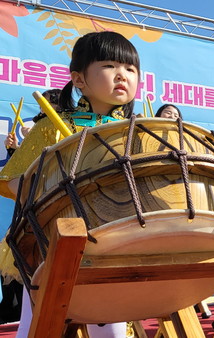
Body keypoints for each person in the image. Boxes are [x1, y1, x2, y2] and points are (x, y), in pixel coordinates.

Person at [0, 31, 140, 338]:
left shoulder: (139, 131)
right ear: (78, 80)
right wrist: (51, 187)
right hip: (53, 243)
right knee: (37, 326)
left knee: (110, 329)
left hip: (117, 241)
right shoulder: (52, 126)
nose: (122, 75)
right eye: (109, 66)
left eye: (130, 69)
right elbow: (11, 181)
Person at [3, 89, 61, 157]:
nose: (42, 109)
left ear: (59, 105)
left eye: (46, 104)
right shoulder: (41, 124)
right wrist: (15, 148)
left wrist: (33, 137)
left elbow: (56, 155)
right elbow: (31, 161)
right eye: (41, 105)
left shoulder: (67, 124)